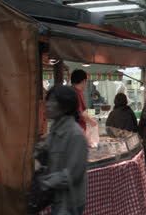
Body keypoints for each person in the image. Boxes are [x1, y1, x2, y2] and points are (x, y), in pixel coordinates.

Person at [41, 85, 88, 215]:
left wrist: (45, 183)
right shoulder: (55, 130)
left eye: (53, 101)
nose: (48, 105)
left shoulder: (75, 134)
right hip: (57, 200)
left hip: (70, 203)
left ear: (65, 106)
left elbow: (72, 174)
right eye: (48, 100)